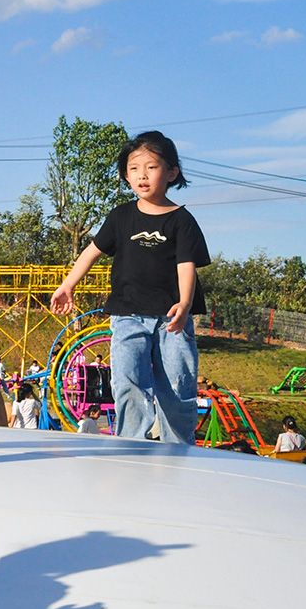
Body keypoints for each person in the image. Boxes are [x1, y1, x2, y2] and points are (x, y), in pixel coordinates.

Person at [50, 131, 209, 443]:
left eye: (151, 167)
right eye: (134, 169)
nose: (142, 175)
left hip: (171, 320)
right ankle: (130, 443)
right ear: (126, 175)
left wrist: (186, 304)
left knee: (177, 384)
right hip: (128, 315)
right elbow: (92, 251)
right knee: (128, 380)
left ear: (172, 172)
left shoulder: (182, 220)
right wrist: (68, 285)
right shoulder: (121, 216)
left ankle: (180, 446)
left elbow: (186, 265)